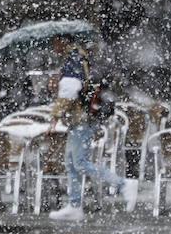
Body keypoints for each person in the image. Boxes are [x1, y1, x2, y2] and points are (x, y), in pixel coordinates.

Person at [48, 35, 138, 220]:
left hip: (81, 118)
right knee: (72, 163)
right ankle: (74, 206)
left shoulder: (72, 59)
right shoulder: (78, 58)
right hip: (80, 118)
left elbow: (70, 91)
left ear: (63, 41)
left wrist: (55, 115)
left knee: (80, 162)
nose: (53, 46)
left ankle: (123, 184)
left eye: (55, 42)